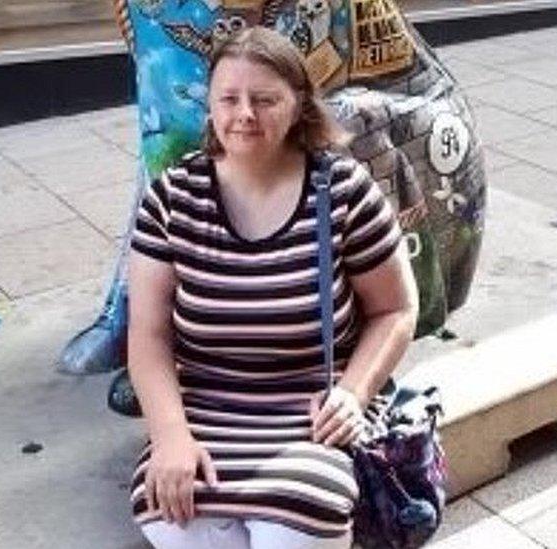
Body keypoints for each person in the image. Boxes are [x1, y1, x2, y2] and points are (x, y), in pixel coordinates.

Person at [127, 27, 418, 549]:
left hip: (312, 411)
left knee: (293, 529)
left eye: (265, 100)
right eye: (229, 99)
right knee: (173, 516)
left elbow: (396, 309)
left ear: (300, 105)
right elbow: (147, 335)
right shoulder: (171, 200)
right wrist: (170, 435)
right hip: (205, 409)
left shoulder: (343, 191)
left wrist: (354, 395)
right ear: (210, 105)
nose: (245, 114)